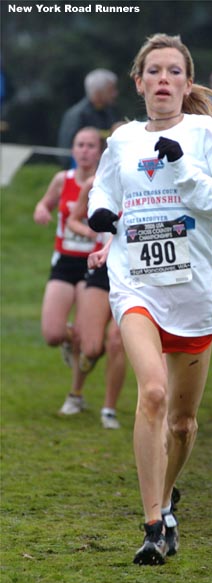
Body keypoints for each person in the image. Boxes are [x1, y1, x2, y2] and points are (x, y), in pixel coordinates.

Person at [87, 33, 212, 566]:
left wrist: (184, 170)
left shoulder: (207, 135)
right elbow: (105, 190)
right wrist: (102, 216)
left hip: (192, 293)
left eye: (174, 72)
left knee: (183, 423)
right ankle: (152, 524)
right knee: (153, 394)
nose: (163, 80)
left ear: (187, 83)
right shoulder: (121, 140)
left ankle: (166, 496)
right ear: (138, 83)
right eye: (154, 71)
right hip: (134, 282)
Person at [33, 127, 103, 415]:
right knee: (52, 334)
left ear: (99, 151)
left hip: (92, 263)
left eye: (90, 145)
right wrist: (42, 209)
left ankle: (75, 394)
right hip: (64, 261)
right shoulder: (63, 180)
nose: (85, 150)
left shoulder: (105, 184)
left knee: (89, 344)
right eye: (80, 145)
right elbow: (45, 203)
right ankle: (70, 338)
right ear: (73, 150)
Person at [67, 175, 126, 429]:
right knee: (90, 346)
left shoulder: (153, 178)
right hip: (102, 266)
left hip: (132, 269)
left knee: (116, 340)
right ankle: (76, 394)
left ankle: (109, 409)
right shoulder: (94, 183)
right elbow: (72, 220)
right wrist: (92, 232)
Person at [57, 69, 119, 165]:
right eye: (111, 90)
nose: (115, 94)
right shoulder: (77, 115)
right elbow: (65, 153)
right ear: (98, 92)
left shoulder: (109, 112)